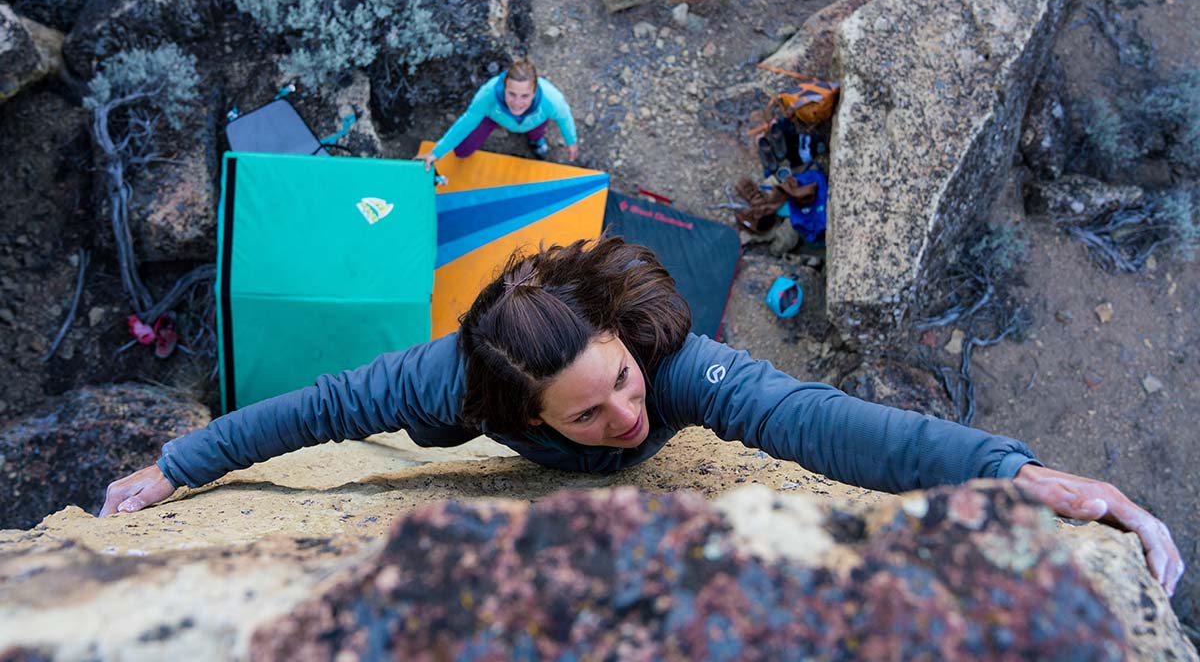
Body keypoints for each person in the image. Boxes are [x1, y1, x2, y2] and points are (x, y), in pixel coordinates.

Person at [100, 238, 1184, 597]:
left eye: (620, 381)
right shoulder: (451, 382)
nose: (625, 415)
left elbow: (828, 422)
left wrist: (1023, 475)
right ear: (523, 409)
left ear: (626, 339)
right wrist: (178, 467)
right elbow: (323, 407)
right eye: (587, 410)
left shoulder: (675, 363)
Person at [415, 59, 579, 169]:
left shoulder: (552, 100)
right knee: (462, 151)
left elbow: (565, 119)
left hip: (534, 120)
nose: (517, 103)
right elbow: (466, 123)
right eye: (511, 94)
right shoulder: (487, 95)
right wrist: (436, 153)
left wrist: (571, 141)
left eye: (525, 96)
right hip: (493, 116)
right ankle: (533, 138)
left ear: (535, 92)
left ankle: (536, 141)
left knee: (536, 132)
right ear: (504, 86)